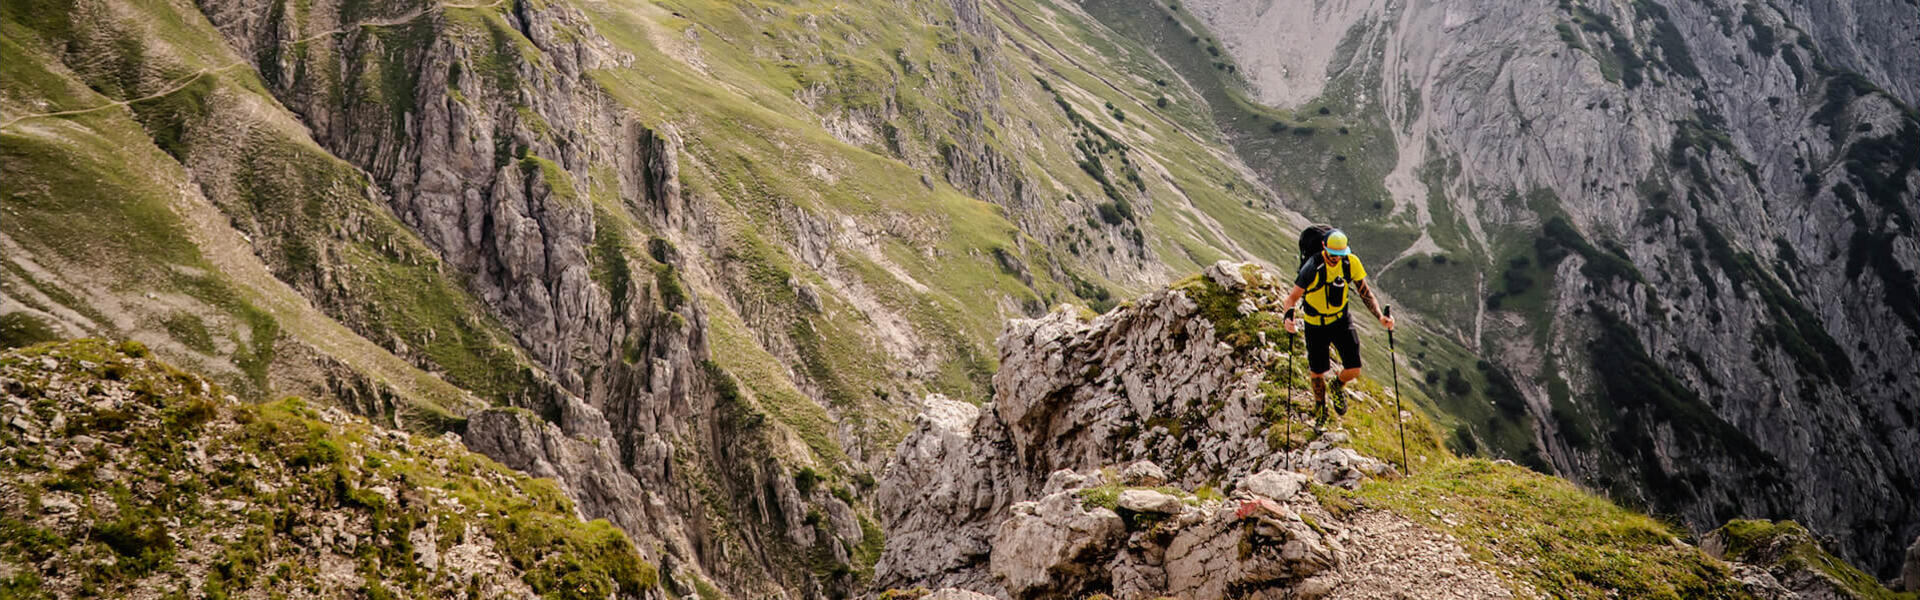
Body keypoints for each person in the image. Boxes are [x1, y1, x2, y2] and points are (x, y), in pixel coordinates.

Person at [1280, 229, 1393, 427]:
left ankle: (1337, 385)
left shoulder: (1350, 262)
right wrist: (1288, 318)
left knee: (1354, 369)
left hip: (1341, 320)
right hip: (1315, 324)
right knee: (1317, 371)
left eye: (1339, 256)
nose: (1335, 259)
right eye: (1332, 255)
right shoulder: (1312, 267)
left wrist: (1380, 317)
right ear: (1324, 248)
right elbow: (1291, 299)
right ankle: (1320, 408)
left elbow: (1365, 293)